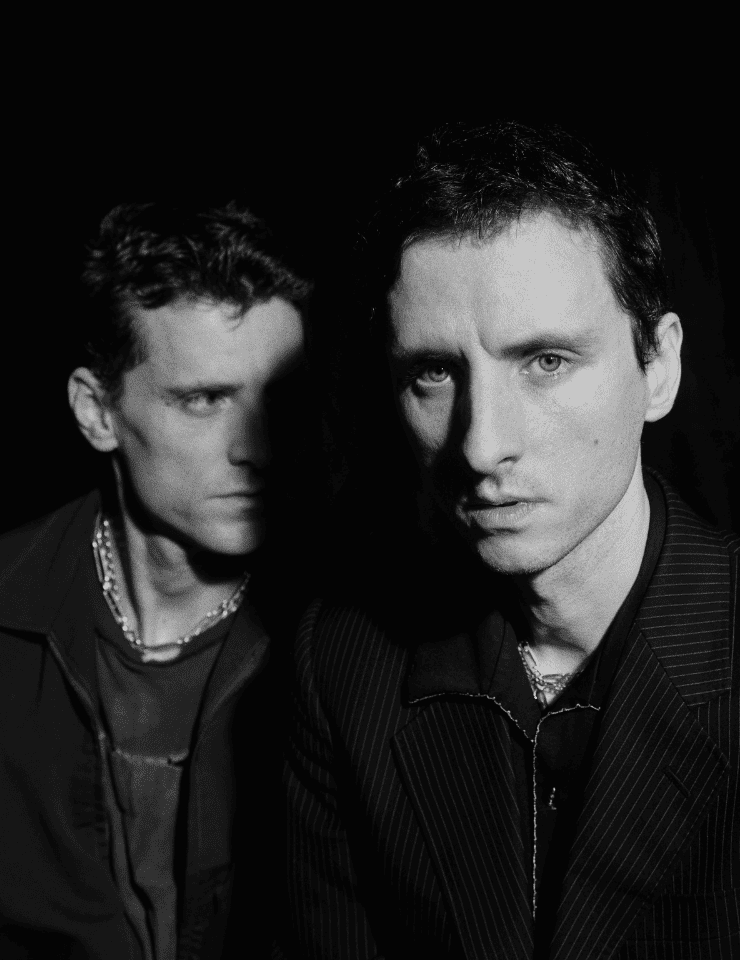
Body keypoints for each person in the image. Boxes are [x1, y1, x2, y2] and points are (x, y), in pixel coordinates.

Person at [281, 123, 739, 958]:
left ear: (659, 367)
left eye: (546, 361)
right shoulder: (342, 663)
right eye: (434, 372)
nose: (481, 444)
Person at [0, 201, 311, 959]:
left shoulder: (350, 637)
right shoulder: (8, 604)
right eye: (204, 401)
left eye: (280, 399)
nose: (257, 448)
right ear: (97, 412)